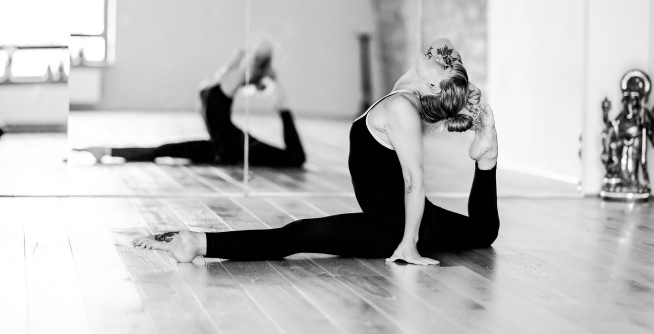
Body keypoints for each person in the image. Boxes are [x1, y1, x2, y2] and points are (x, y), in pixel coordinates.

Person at [132, 38, 499, 266]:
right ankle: (487, 158)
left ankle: (195, 242)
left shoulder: (403, 108)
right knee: (482, 232)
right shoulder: (401, 99)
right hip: (403, 218)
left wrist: (408, 245)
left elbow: (414, 181)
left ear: (434, 82)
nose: (441, 51)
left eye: (445, 59)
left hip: (395, 228)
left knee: (297, 236)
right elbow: (446, 50)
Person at [75, 42, 306, 168]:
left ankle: (105, 150)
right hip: (227, 146)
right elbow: (241, 68)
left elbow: (235, 69)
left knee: (164, 150)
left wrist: (241, 62)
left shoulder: (220, 85)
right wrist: (262, 71)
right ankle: (105, 150)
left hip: (229, 143)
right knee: (296, 158)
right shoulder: (228, 82)